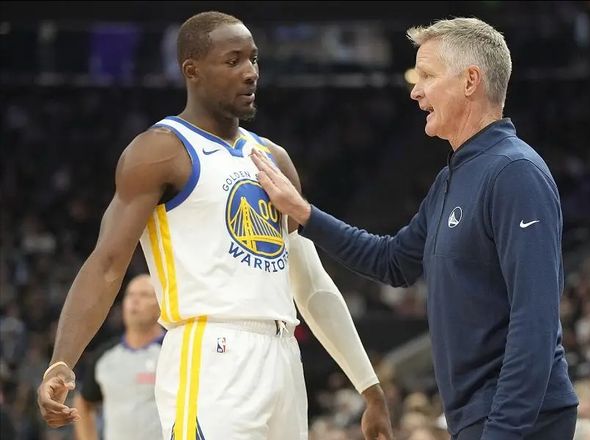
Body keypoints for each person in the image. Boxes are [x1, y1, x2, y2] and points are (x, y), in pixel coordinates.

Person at [36, 11, 393, 440]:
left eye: (254, 59)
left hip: (283, 354)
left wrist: (368, 386)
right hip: (210, 353)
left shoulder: (274, 159)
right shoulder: (160, 151)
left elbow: (311, 283)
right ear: (192, 70)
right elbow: (107, 263)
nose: (250, 72)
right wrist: (62, 360)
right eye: (233, 60)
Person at [250, 17, 580, 440]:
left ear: (470, 81)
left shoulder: (515, 172)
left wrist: (503, 430)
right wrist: (305, 213)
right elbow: (393, 261)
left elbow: (535, 322)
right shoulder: (453, 177)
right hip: (480, 415)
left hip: (519, 420)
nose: (415, 90)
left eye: (427, 75)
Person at [73, 274, 164, 440]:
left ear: (161, 304)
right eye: (130, 295)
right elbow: (83, 402)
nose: (135, 300)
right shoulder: (105, 355)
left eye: (144, 295)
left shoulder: (172, 351)